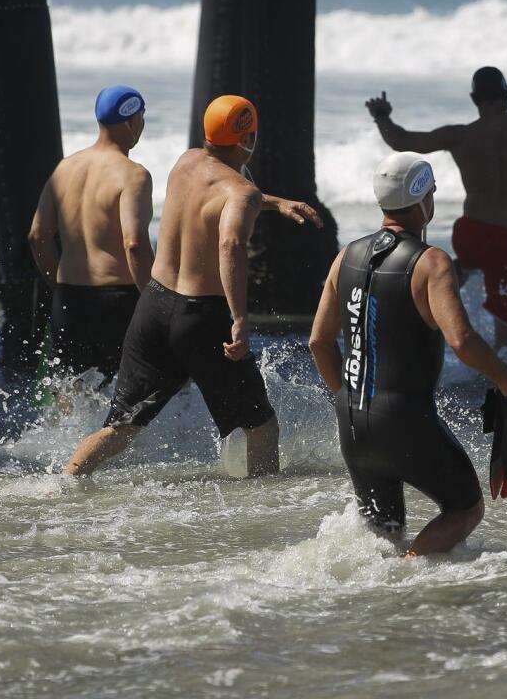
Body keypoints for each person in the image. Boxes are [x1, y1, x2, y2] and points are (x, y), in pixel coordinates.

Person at [63, 95, 323, 478]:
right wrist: (239, 319)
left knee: (123, 425)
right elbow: (230, 242)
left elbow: (218, 194)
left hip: (154, 306)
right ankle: (261, 512)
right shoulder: (242, 193)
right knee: (261, 428)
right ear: (247, 140)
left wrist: (275, 202)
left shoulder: (186, 161)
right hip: (202, 317)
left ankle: (66, 481)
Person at [307, 151, 507, 556]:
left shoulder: (345, 256)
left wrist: (348, 399)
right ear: (424, 200)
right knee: (465, 507)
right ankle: (408, 576)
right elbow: (463, 341)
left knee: (384, 537)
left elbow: (318, 342)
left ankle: (389, 602)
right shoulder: (432, 263)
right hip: (405, 419)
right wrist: (506, 377)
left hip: (353, 425)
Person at [365, 48, 507, 349]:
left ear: (475, 100)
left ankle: (427, 297)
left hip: (470, 232)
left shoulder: (460, 135)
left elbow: (404, 141)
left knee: (466, 266)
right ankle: (500, 386)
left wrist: (382, 117)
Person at [28, 85, 154, 388]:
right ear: (132, 121)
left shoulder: (65, 168)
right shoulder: (132, 174)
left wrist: (58, 286)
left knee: (73, 402)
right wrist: (156, 303)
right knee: (135, 403)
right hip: (118, 302)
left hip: (69, 300)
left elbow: (37, 236)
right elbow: (134, 244)